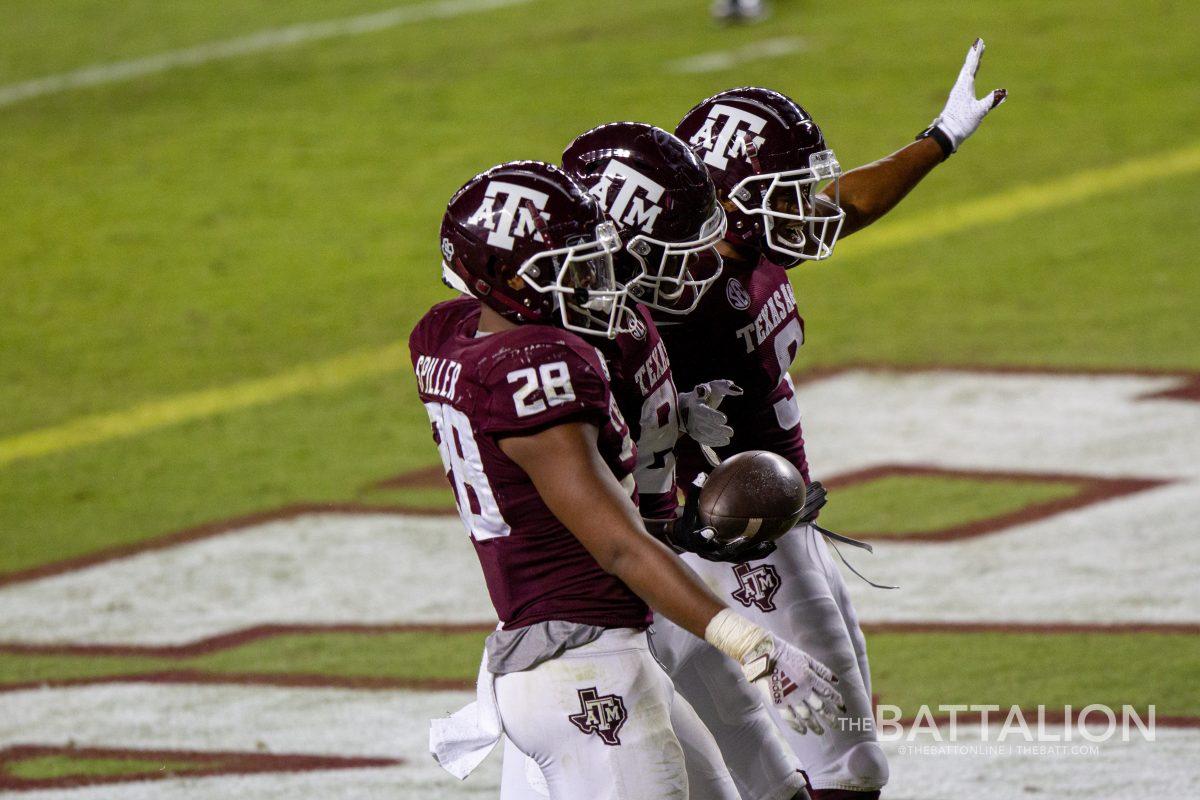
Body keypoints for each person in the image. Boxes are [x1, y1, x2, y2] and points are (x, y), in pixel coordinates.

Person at [417, 159, 843, 800]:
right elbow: (617, 544)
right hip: (582, 667)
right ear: (503, 278)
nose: (595, 282)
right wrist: (755, 645)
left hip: (591, 653)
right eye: (570, 269)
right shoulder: (533, 371)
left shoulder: (446, 334)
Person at [663, 40, 1008, 799]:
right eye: (783, 192)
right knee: (846, 770)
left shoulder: (749, 241)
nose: (806, 205)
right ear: (722, 201)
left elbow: (847, 204)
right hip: (734, 544)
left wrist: (939, 138)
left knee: (791, 772)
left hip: (784, 520)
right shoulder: (673, 303)